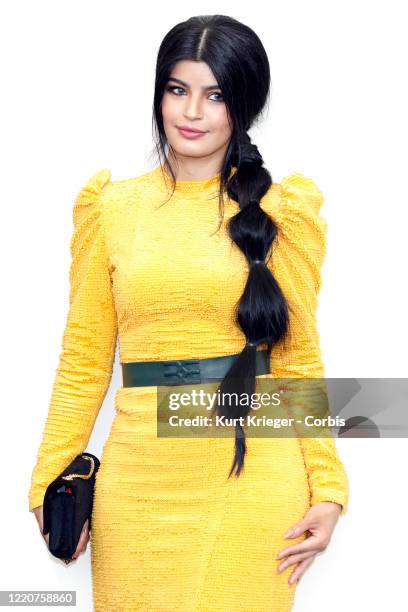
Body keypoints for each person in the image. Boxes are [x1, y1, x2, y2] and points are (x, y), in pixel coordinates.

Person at [29, 14, 349, 612]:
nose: (192, 112)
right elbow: (83, 357)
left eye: (215, 94)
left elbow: (299, 355)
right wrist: (49, 478)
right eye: (178, 90)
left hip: (254, 480)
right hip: (138, 483)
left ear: (243, 105)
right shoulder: (114, 209)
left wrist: (328, 486)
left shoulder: (284, 210)